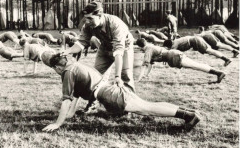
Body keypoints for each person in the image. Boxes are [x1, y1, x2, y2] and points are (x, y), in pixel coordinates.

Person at [42, 53, 201, 132]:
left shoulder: (67, 73)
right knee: (147, 105)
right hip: (112, 90)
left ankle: (188, 116)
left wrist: (57, 123)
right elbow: (76, 93)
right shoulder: (75, 65)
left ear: (56, 67)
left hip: (109, 94)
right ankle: (188, 112)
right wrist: (70, 114)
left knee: (146, 109)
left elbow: (66, 99)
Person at [61, 1, 135, 92]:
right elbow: (80, 44)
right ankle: (94, 104)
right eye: (86, 18)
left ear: (100, 15)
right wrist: (67, 51)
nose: (87, 21)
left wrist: (117, 76)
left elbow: (118, 51)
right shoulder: (88, 26)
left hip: (124, 48)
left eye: (90, 18)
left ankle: (130, 103)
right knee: (95, 76)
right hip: (105, 46)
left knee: (125, 76)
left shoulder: (115, 24)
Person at [137, 38, 226, 83]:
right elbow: (150, 64)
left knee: (196, 66)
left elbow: (144, 64)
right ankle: (218, 73)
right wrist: (146, 75)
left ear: (140, 46)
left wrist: (139, 78)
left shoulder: (148, 49)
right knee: (195, 65)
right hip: (174, 55)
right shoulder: (150, 47)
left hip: (174, 56)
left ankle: (219, 73)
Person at [163, 35, 232, 67]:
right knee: (210, 51)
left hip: (194, 40)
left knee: (209, 51)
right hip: (195, 39)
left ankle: (226, 59)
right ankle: (226, 59)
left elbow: (171, 53)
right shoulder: (175, 41)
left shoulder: (174, 44)